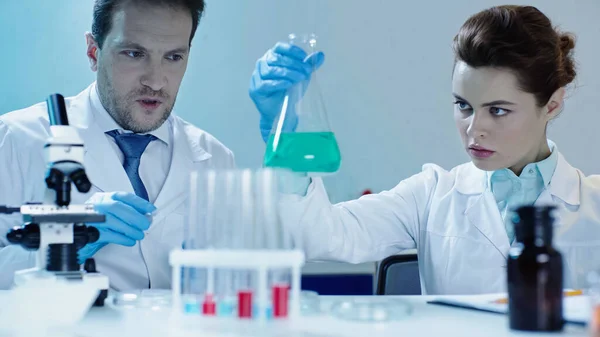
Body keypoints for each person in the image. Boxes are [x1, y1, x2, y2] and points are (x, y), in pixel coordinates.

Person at [249, 5, 600, 294]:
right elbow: (324, 237)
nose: (474, 129)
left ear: (552, 105)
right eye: (463, 105)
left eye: (497, 110)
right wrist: (282, 132)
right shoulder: (431, 195)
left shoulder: (594, 205)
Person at [0, 0, 234, 291]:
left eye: (173, 57)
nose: (156, 81)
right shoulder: (17, 138)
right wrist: (67, 244)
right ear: (93, 52)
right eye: (134, 54)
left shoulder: (215, 158)